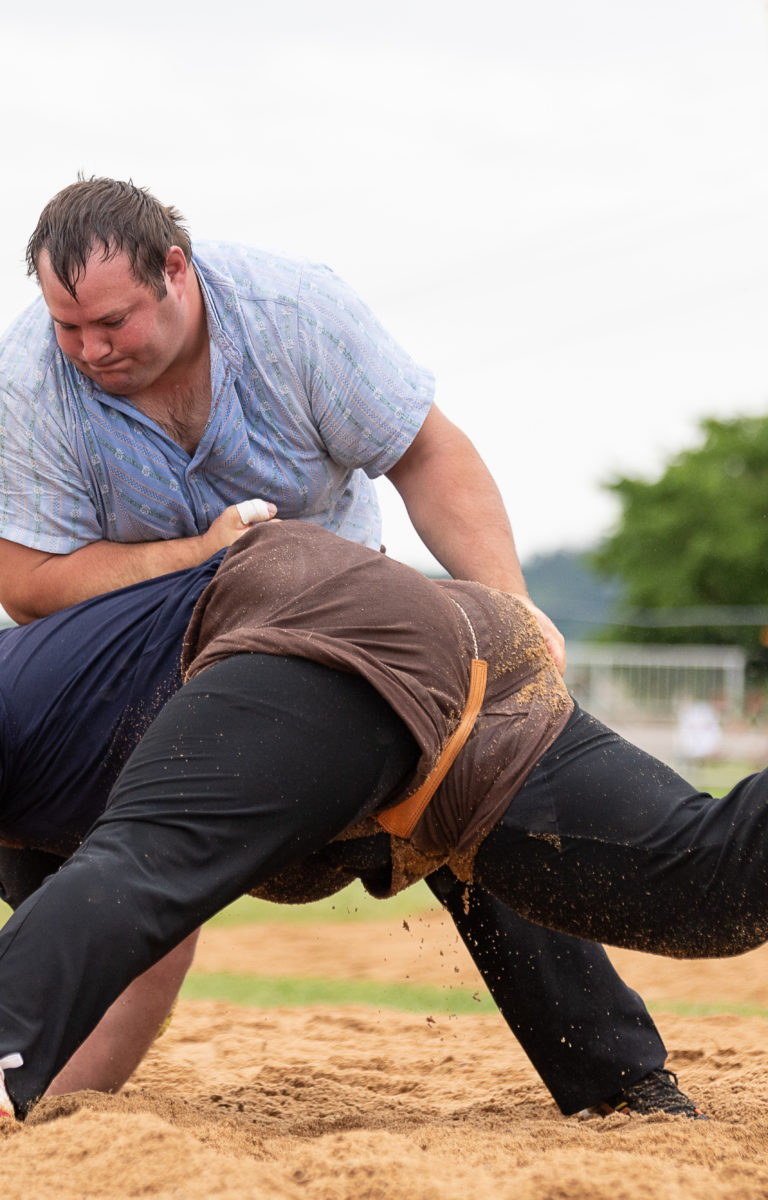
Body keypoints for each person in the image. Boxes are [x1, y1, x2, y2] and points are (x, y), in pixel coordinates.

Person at [0, 177, 681, 1118]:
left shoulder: (294, 314)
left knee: (474, 778)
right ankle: (37, 1102)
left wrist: (510, 612)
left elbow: (427, 454)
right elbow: (31, 582)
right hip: (147, 662)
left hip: (338, 649)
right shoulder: (30, 378)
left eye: (111, 322)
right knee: (69, 848)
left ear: (177, 272)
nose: (89, 350)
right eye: (68, 327)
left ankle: (621, 1084)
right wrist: (197, 555)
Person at [0, 520, 744, 1121]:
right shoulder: (37, 844)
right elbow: (104, 962)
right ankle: (622, 1082)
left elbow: (129, 882)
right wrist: (51, 1105)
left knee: (141, 867)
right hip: (457, 651)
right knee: (709, 883)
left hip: (320, 630)